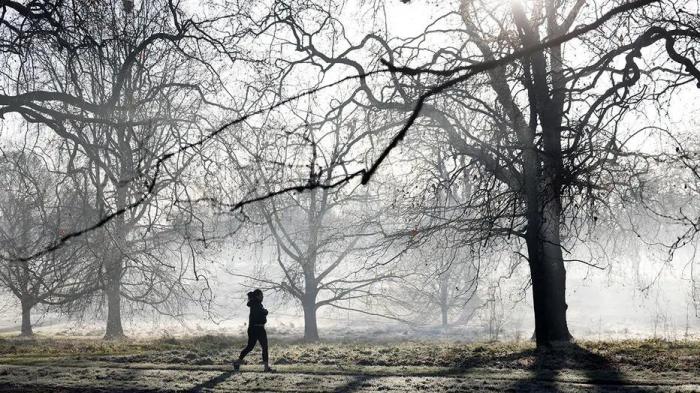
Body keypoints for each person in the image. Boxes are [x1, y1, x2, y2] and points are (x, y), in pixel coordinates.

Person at [233, 289, 274, 372]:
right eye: (261, 295)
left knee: (263, 347)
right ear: (257, 296)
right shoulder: (256, 304)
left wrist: (264, 312)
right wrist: (265, 312)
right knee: (251, 347)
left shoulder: (257, 304)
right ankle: (237, 362)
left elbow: (260, 314)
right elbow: (259, 314)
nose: (262, 297)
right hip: (255, 329)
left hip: (259, 328)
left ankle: (266, 367)